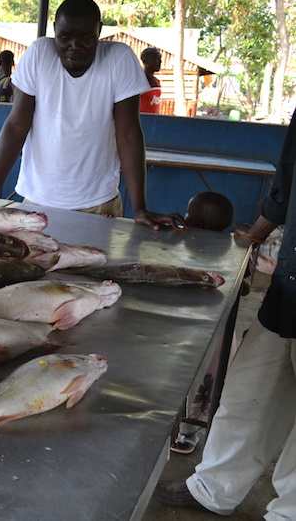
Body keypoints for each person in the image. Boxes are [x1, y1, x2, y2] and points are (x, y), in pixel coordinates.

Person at [154, 107, 296, 519]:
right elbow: (286, 183)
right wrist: (256, 235)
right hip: (289, 285)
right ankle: (212, 488)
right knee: (249, 391)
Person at [0, 0, 183, 230]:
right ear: (55, 30)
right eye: (65, 37)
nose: (74, 45)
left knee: (92, 265)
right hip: (37, 200)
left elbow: (128, 133)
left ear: (99, 31)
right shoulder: (39, 54)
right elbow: (16, 126)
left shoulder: (119, 59)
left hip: (98, 204)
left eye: (86, 37)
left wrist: (139, 209)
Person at [170, 191, 235, 455]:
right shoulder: (235, 249)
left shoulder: (184, 247)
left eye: (188, 213)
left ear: (197, 223)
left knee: (189, 379)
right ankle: (190, 432)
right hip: (220, 335)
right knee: (206, 383)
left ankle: (183, 431)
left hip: (193, 329)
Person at [140, 47, 162, 114]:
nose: (160, 62)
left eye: (160, 59)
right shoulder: (137, 81)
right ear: (145, 61)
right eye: (156, 59)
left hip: (154, 122)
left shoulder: (156, 82)